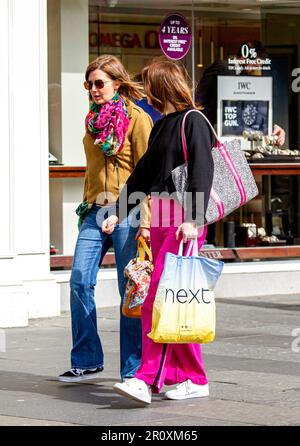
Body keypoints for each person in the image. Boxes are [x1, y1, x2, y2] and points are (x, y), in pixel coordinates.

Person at [101, 58, 215, 404]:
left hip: (183, 222)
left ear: (161, 85)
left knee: (159, 301)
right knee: (178, 301)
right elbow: (142, 174)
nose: (145, 92)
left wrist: (193, 221)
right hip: (166, 218)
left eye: (148, 84)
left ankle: (146, 379)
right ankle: (192, 378)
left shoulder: (193, 120)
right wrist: (118, 213)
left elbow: (202, 169)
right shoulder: (163, 124)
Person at [58, 55, 153, 383]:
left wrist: (146, 222)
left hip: (127, 210)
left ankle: (133, 369)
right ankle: (87, 359)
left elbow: (147, 171)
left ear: (117, 82)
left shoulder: (138, 119)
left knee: (130, 289)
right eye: (89, 84)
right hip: (94, 212)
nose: (94, 90)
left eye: (100, 83)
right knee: (79, 280)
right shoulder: (92, 119)